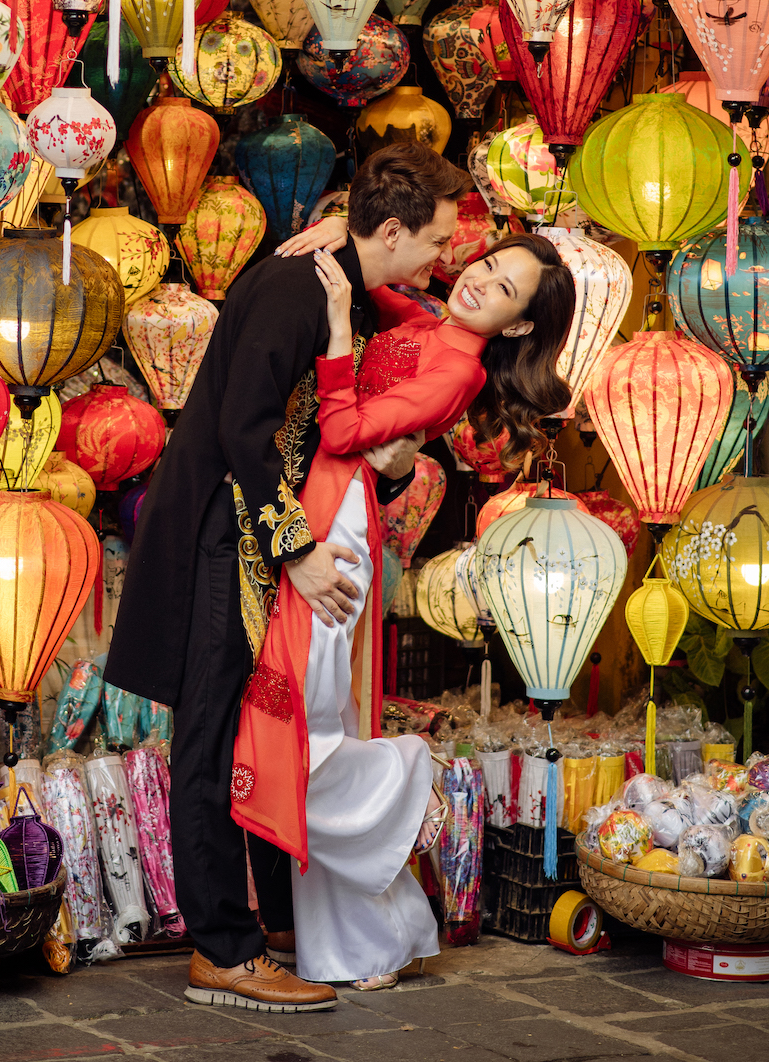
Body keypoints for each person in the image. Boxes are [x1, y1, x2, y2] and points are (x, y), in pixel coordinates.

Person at [104, 143, 470, 1012]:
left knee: (259, 722)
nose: (441, 260)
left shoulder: (335, 279)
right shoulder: (295, 286)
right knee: (208, 730)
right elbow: (242, 430)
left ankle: (263, 924)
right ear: (389, 230)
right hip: (220, 533)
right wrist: (298, 548)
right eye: (437, 242)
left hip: (249, 532)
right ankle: (221, 951)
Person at [232, 225, 576, 989]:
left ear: (518, 325)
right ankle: (362, 937)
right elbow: (370, 276)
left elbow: (346, 428)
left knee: (310, 730)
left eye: (505, 288)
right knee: (296, 718)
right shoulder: (430, 323)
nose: (481, 281)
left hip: (341, 524)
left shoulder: (458, 369)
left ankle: (399, 777)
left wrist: (338, 329)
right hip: (318, 504)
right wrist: (339, 232)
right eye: (486, 264)